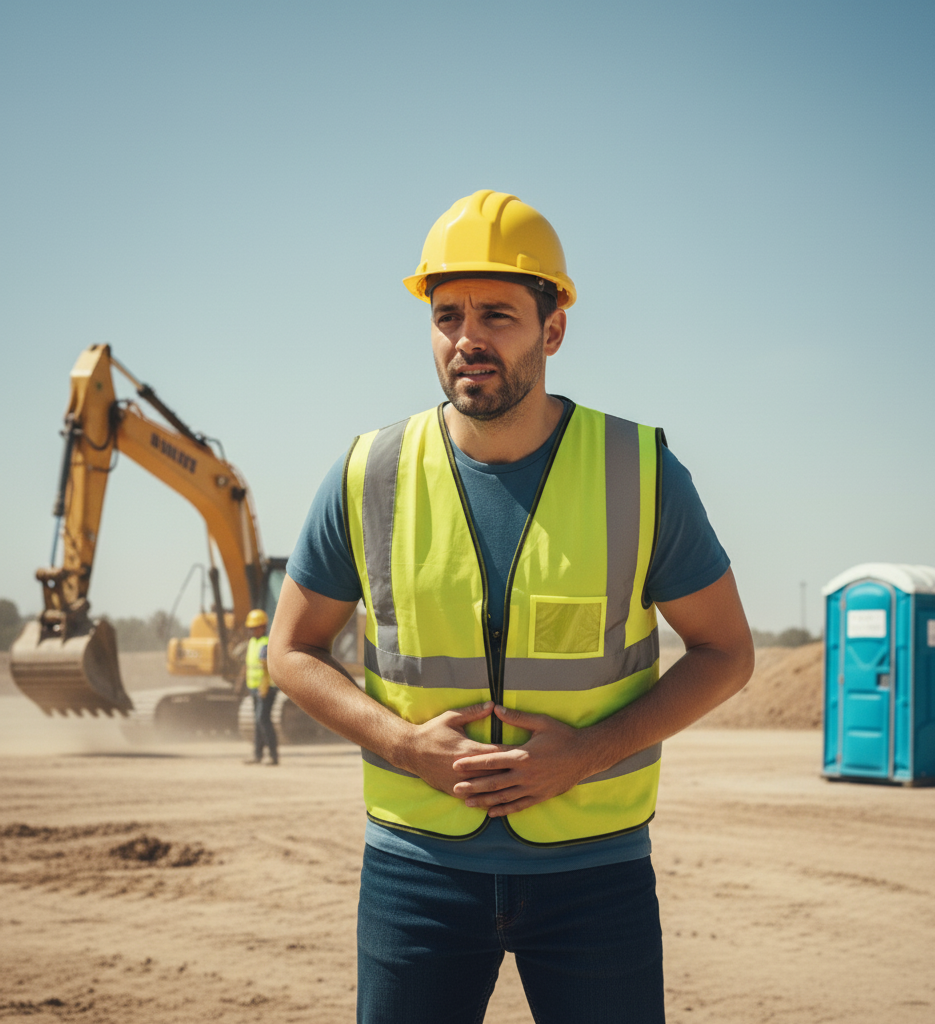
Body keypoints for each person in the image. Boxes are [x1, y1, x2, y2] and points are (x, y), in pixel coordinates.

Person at [269, 190, 754, 1024]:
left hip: (594, 875)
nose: (468, 338)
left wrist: (588, 754)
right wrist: (401, 745)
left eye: (498, 314)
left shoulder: (639, 473)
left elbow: (727, 654)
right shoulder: (367, 474)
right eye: (447, 314)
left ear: (553, 329)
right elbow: (291, 651)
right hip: (414, 870)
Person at [244, 608, 278, 765]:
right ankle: (257, 755)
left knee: (263, 719)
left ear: (262, 627)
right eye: (250, 628)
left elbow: (266, 669)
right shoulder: (252, 643)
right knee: (258, 721)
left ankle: (273, 755)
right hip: (254, 688)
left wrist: (263, 687)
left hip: (266, 688)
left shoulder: (265, 643)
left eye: (254, 627)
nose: (251, 631)